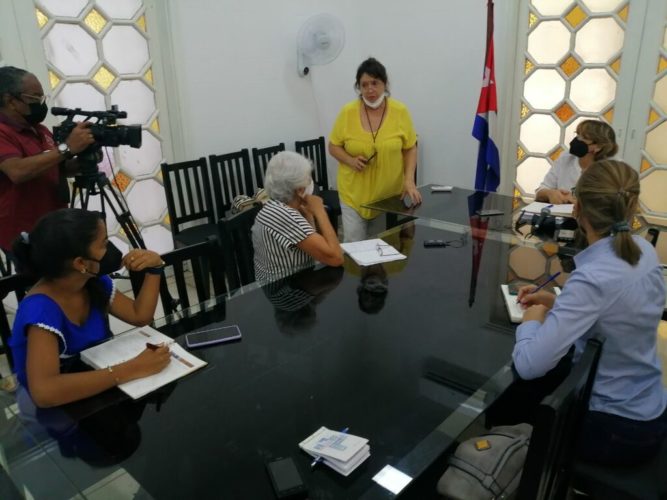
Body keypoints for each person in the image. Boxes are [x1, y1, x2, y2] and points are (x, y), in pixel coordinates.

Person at [514, 160, 667, 466]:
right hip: (650, 408)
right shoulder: (645, 251)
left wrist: (530, 322)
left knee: (523, 405)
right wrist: (556, 302)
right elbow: (617, 310)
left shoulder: (592, 278)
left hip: (614, 430)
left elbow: (529, 365)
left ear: (577, 208)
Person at [9, 208, 170, 408]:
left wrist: (155, 268)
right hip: (58, 415)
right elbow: (45, 393)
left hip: (95, 391)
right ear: (80, 263)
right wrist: (133, 368)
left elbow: (140, 315)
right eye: (104, 244)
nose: (111, 249)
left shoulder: (92, 282)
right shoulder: (40, 310)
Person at [0, 66, 94, 254]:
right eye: (35, 98)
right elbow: (17, 171)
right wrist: (67, 147)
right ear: (11, 101)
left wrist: (85, 158)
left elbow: (56, 167)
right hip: (24, 231)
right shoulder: (3, 132)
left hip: (55, 223)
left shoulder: (39, 129)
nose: (41, 103)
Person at [329, 57, 420, 242]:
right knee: (355, 246)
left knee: (380, 246)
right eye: (364, 85)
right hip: (353, 194)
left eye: (374, 83)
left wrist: (409, 180)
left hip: (386, 197)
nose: (370, 89)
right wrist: (350, 160)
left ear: (384, 84)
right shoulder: (347, 112)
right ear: (358, 87)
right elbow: (333, 146)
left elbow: (410, 147)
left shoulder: (400, 111)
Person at [252, 151, 343, 282]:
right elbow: (336, 258)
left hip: (293, 281)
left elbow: (316, 247)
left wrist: (309, 216)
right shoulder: (284, 216)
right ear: (300, 190)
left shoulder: (275, 206)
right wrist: (320, 211)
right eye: (308, 179)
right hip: (286, 288)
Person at [535, 119, 617, 204]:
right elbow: (541, 190)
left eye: (584, 138)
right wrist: (550, 193)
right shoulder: (565, 157)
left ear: (598, 147)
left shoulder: (612, 169)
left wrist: (577, 202)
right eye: (577, 135)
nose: (577, 140)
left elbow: (611, 204)